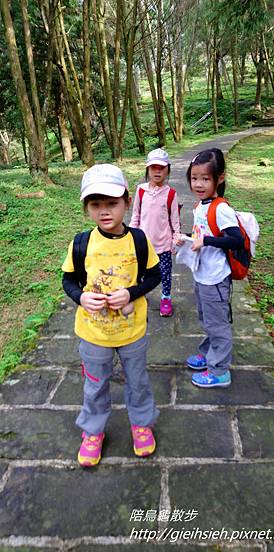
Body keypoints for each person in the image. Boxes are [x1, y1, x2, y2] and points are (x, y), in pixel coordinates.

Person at [62, 164, 161, 467]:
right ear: (87, 208)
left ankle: (141, 423)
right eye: (96, 205)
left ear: (127, 202)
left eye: (112, 203)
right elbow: (67, 280)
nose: (104, 212)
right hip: (94, 334)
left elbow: (155, 275)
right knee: (95, 384)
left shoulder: (139, 241)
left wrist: (131, 293)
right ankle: (93, 431)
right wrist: (81, 297)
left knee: (138, 381)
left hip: (132, 332)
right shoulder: (82, 243)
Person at [175, 148, 244, 388]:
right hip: (203, 274)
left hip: (215, 278)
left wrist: (206, 241)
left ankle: (219, 370)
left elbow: (236, 240)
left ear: (220, 178)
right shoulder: (200, 206)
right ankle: (209, 352)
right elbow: (201, 234)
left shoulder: (221, 208)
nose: (199, 184)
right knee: (207, 318)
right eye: (194, 178)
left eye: (205, 178)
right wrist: (185, 238)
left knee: (218, 324)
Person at [129, 148, 180, 317]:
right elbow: (136, 214)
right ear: (147, 169)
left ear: (168, 170)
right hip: (143, 243)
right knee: (140, 273)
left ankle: (165, 298)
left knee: (165, 274)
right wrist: (131, 235)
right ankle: (140, 295)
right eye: (153, 167)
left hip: (163, 244)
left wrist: (175, 239)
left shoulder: (171, 194)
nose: (157, 171)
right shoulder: (141, 190)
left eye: (162, 168)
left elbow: (174, 220)